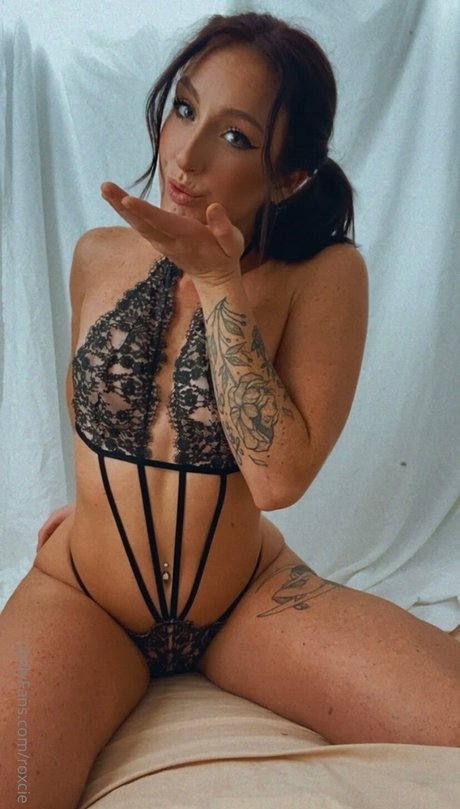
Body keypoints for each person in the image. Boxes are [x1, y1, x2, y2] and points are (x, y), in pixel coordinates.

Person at [1, 10, 459, 809]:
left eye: (236, 136)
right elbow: (108, 427)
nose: (187, 153)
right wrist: (90, 510)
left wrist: (219, 282)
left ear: (288, 177)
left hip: (245, 598)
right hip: (86, 595)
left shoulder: (323, 276)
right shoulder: (95, 255)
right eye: (185, 107)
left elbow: (279, 479)